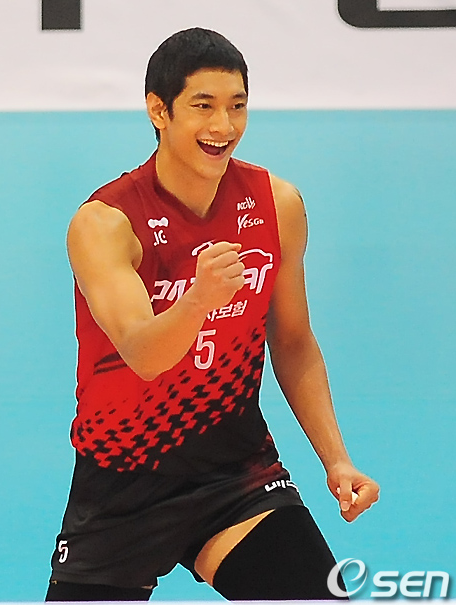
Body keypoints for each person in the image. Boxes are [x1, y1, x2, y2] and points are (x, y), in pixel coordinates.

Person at [46, 27, 379, 602]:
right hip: (123, 479)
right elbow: (143, 354)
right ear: (159, 110)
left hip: (236, 473)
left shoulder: (276, 204)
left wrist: (337, 460)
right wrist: (198, 300)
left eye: (237, 106)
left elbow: (293, 341)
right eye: (203, 106)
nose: (223, 126)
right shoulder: (104, 223)